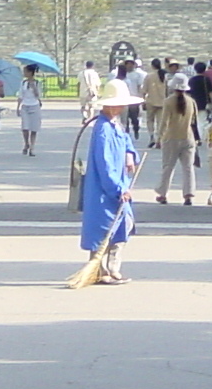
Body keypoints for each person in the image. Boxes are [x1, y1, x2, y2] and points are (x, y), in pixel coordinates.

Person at [79, 77, 143, 283]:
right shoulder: (103, 129)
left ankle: (113, 267)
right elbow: (104, 163)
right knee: (103, 227)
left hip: (119, 181)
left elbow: (125, 141)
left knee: (123, 224)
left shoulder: (116, 125)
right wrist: (117, 188)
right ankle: (100, 268)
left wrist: (130, 154)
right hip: (104, 188)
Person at [154, 82, 198, 206]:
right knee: (188, 168)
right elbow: (194, 121)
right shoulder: (191, 102)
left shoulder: (168, 101)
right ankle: (188, 194)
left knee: (168, 167)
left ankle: (162, 194)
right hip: (188, 137)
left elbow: (164, 122)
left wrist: (159, 138)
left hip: (171, 138)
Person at [16, 65, 45, 157]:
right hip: (25, 106)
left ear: (30, 72)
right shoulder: (23, 83)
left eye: (26, 71)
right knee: (25, 127)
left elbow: (38, 95)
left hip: (34, 106)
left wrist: (34, 87)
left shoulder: (37, 83)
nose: (24, 73)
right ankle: (26, 143)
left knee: (34, 128)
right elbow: (20, 95)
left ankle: (32, 147)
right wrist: (18, 107)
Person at [142, 58, 168, 146]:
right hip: (163, 101)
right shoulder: (165, 75)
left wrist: (143, 101)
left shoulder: (149, 76)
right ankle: (160, 139)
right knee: (160, 121)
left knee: (150, 120)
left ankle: (152, 137)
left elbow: (144, 90)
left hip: (151, 101)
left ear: (152, 66)